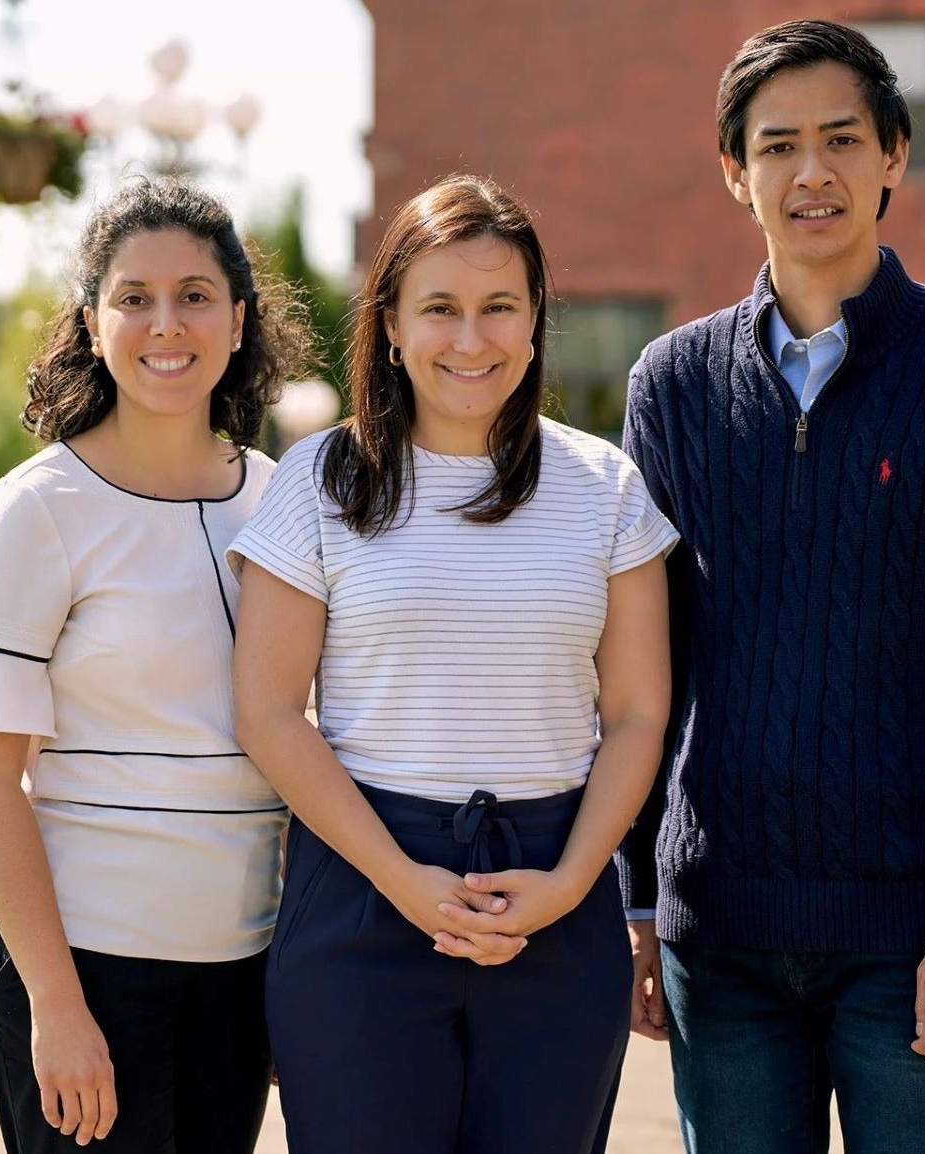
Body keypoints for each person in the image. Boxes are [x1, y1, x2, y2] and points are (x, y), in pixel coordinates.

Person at [616, 20, 925, 1154]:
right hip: (719, 939)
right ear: (737, 172)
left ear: (895, 155)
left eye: (841, 139)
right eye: (778, 146)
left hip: (918, 932)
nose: (811, 171)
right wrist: (638, 895)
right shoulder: (672, 384)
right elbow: (639, 661)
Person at [228, 174, 678, 1154]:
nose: (469, 339)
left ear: (533, 320)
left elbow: (641, 711)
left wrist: (567, 882)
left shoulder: (605, 486)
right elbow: (266, 708)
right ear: (390, 322)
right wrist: (400, 876)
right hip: (361, 884)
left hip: (560, 885)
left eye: (497, 307)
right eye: (439, 308)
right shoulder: (321, 478)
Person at [0, 176, 312, 1154]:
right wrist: (58, 1006)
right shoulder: (38, 508)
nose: (165, 323)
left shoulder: (288, 498)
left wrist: (293, 972)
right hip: (79, 966)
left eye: (196, 294)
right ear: (92, 320)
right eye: (134, 296)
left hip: (238, 969)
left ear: (240, 317)